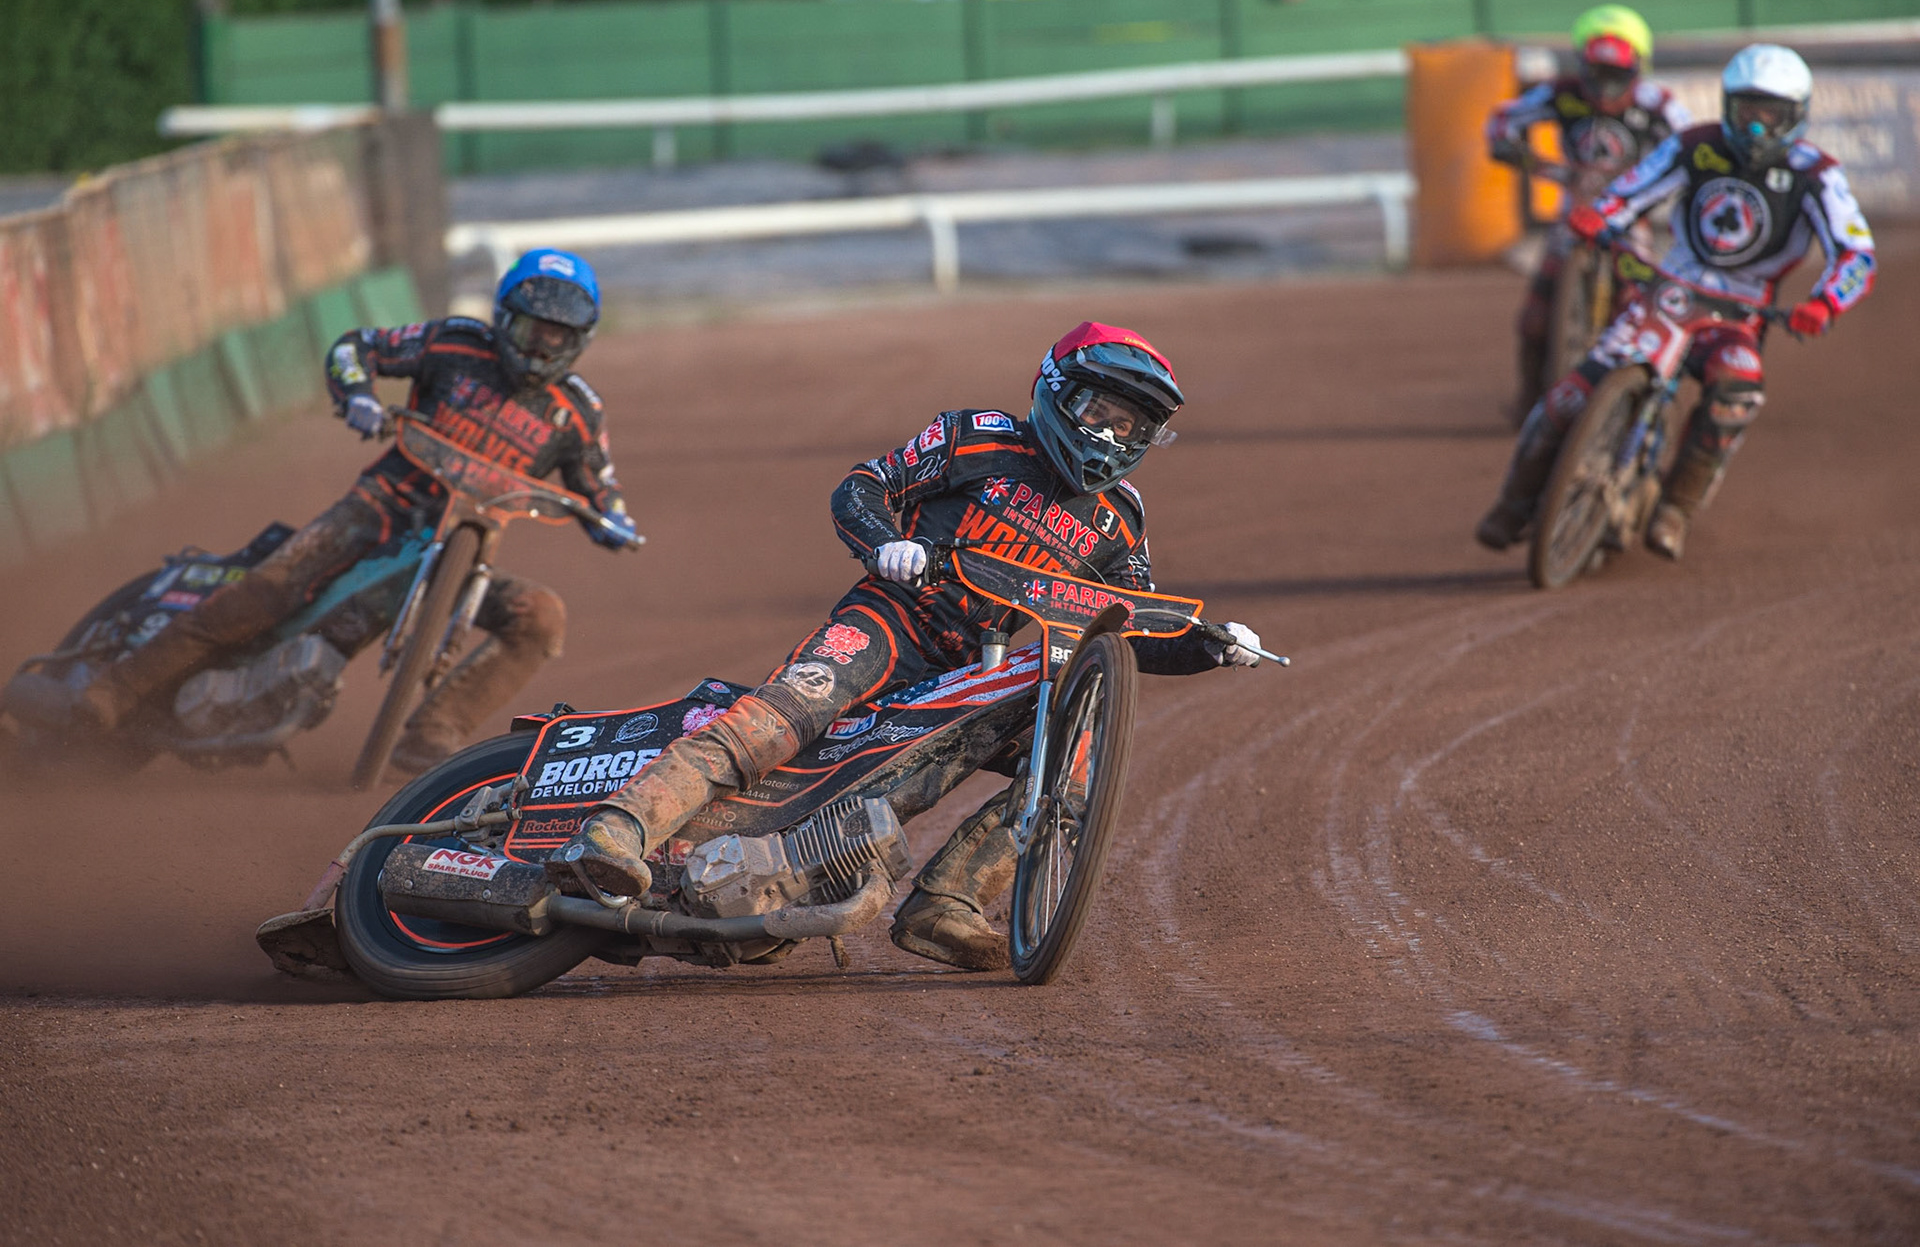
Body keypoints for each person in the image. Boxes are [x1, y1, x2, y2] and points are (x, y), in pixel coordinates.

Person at [548, 321, 1265, 971]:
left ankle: (947, 902)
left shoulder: (1121, 522)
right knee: (790, 711)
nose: (1109, 437)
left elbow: (1133, 625)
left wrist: (1212, 645)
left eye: (1130, 427)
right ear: (1055, 392)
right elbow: (864, 486)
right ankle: (619, 827)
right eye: (1099, 414)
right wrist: (887, 545)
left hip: (971, 669)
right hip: (890, 618)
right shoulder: (976, 436)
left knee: (1076, 754)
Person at [5, 248, 637, 774]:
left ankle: (433, 734)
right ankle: (110, 694)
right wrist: (358, 396)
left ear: (580, 340)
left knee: (541, 617)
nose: (543, 344)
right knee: (260, 596)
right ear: (504, 318)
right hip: (375, 511)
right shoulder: (452, 344)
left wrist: (613, 520)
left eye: (559, 334)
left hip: (460, 557)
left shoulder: (577, 412)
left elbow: (599, 485)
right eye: (533, 327)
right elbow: (353, 346)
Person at [1475, 44, 1876, 561]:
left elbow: (1856, 254)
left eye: (1771, 116)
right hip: (1670, 291)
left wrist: (1825, 304)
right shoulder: (1696, 145)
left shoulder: (1816, 174)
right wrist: (1602, 217)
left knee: (1737, 393)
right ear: (1728, 106)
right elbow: (1631, 190)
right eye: (1746, 112)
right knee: (1568, 397)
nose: (1756, 129)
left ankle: (1676, 508)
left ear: (1796, 116)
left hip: (1741, 313)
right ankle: (1514, 503)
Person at [1486, 5, 1690, 417]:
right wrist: (1535, 164)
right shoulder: (1562, 94)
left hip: (1630, 224)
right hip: (1571, 219)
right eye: (1597, 74)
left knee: (1637, 308)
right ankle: (1529, 396)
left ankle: (1640, 405)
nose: (1606, 89)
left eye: (1618, 77)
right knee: (1534, 320)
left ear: (1638, 69)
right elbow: (1501, 123)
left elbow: (1693, 148)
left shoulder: (1658, 105)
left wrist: (1659, 182)